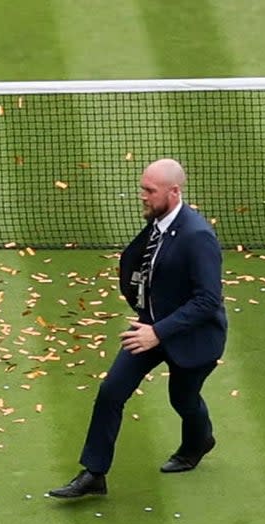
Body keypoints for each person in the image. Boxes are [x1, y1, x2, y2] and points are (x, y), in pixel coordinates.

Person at [49, 158, 227, 499]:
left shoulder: (198, 236)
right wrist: (145, 312)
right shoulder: (158, 224)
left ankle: (199, 441)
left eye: (149, 190)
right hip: (151, 326)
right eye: (141, 188)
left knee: (183, 398)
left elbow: (207, 301)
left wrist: (158, 332)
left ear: (174, 192)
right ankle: (94, 473)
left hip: (192, 337)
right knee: (111, 391)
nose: (142, 196)